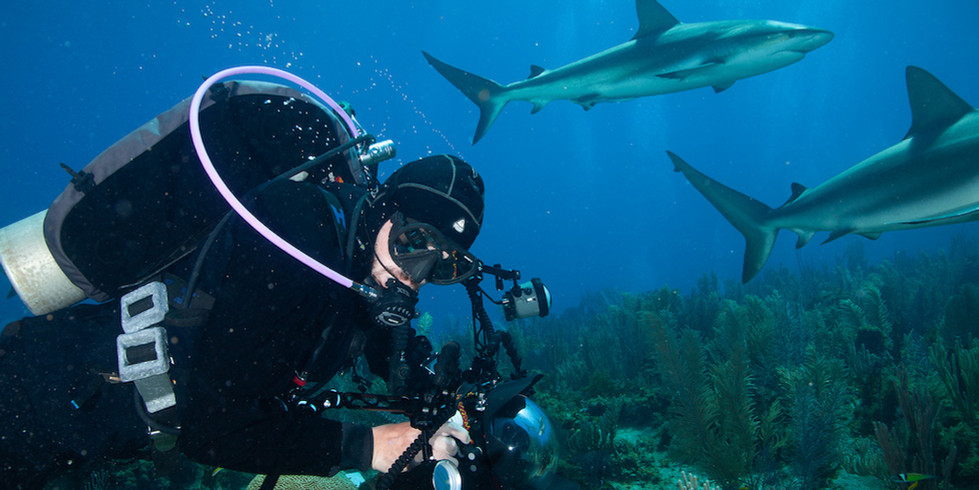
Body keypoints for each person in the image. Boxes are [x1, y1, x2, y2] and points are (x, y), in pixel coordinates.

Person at [0, 152, 486, 488]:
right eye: (414, 243)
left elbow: (382, 343)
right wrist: (369, 446)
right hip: (41, 395)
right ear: (384, 209)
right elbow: (213, 430)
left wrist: (433, 388)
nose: (415, 276)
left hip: (86, 425)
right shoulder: (298, 240)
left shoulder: (358, 262)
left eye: (444, 266)